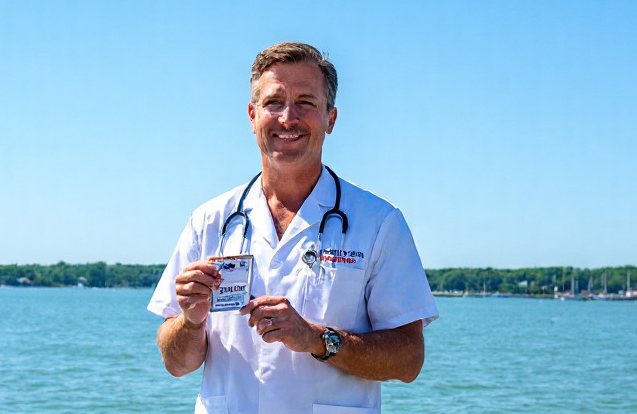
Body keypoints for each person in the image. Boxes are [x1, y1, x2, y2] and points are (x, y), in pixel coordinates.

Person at [147, 42, 438, 414]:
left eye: (306, 102)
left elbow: (409, 359)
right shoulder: (209, 220)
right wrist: (189, 321)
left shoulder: (379, 222)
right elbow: (176, 363)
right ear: (252, 116)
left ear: (331, 118)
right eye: (273, 102)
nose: (288, 117)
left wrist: (316, 339)